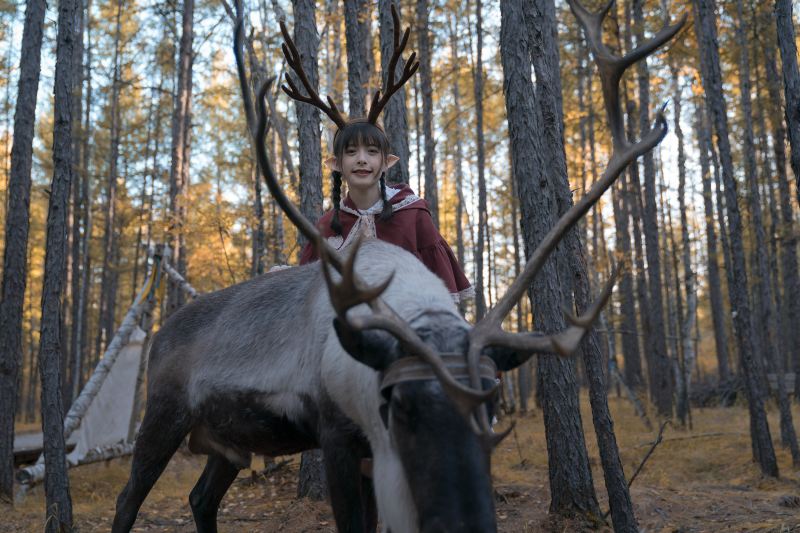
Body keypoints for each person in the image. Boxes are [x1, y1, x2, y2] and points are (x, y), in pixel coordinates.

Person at [299, 119, 473, 303]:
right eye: (351, 152)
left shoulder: (413, 215)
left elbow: (440, 296)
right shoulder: (326, 227)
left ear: (386, 162)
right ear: (337, 164)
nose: (361, 159)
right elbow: (308, 295)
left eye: (372, 151)